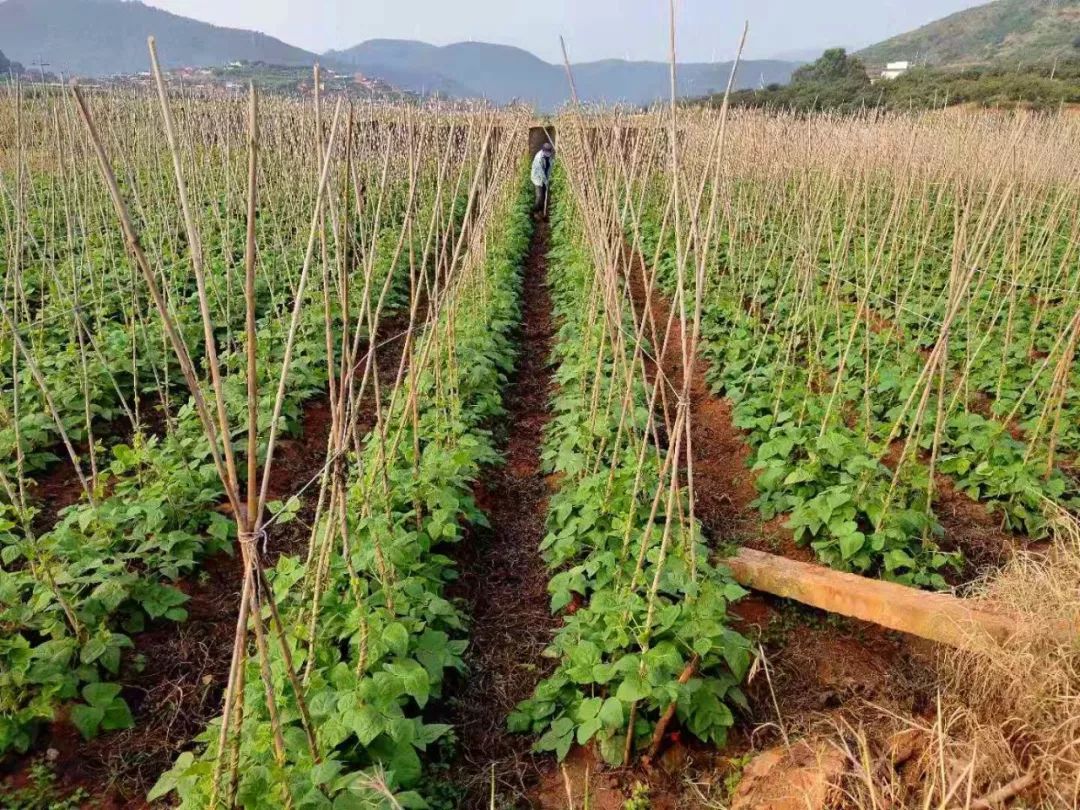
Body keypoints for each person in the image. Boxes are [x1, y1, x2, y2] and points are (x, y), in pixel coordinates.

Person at [531, 141, 554, 216]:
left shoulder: (549, 156)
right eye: (546, 152)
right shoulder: (538, 158)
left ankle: (542, 211)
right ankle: (534, 212)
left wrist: (549, 177)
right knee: (539, 196)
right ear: (543, 151)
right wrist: (546, 181)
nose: (548, 153)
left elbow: (550, 167)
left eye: (549, 152)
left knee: (544, 195)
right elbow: (540, 172)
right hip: (537, 178)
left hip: (545, 177)